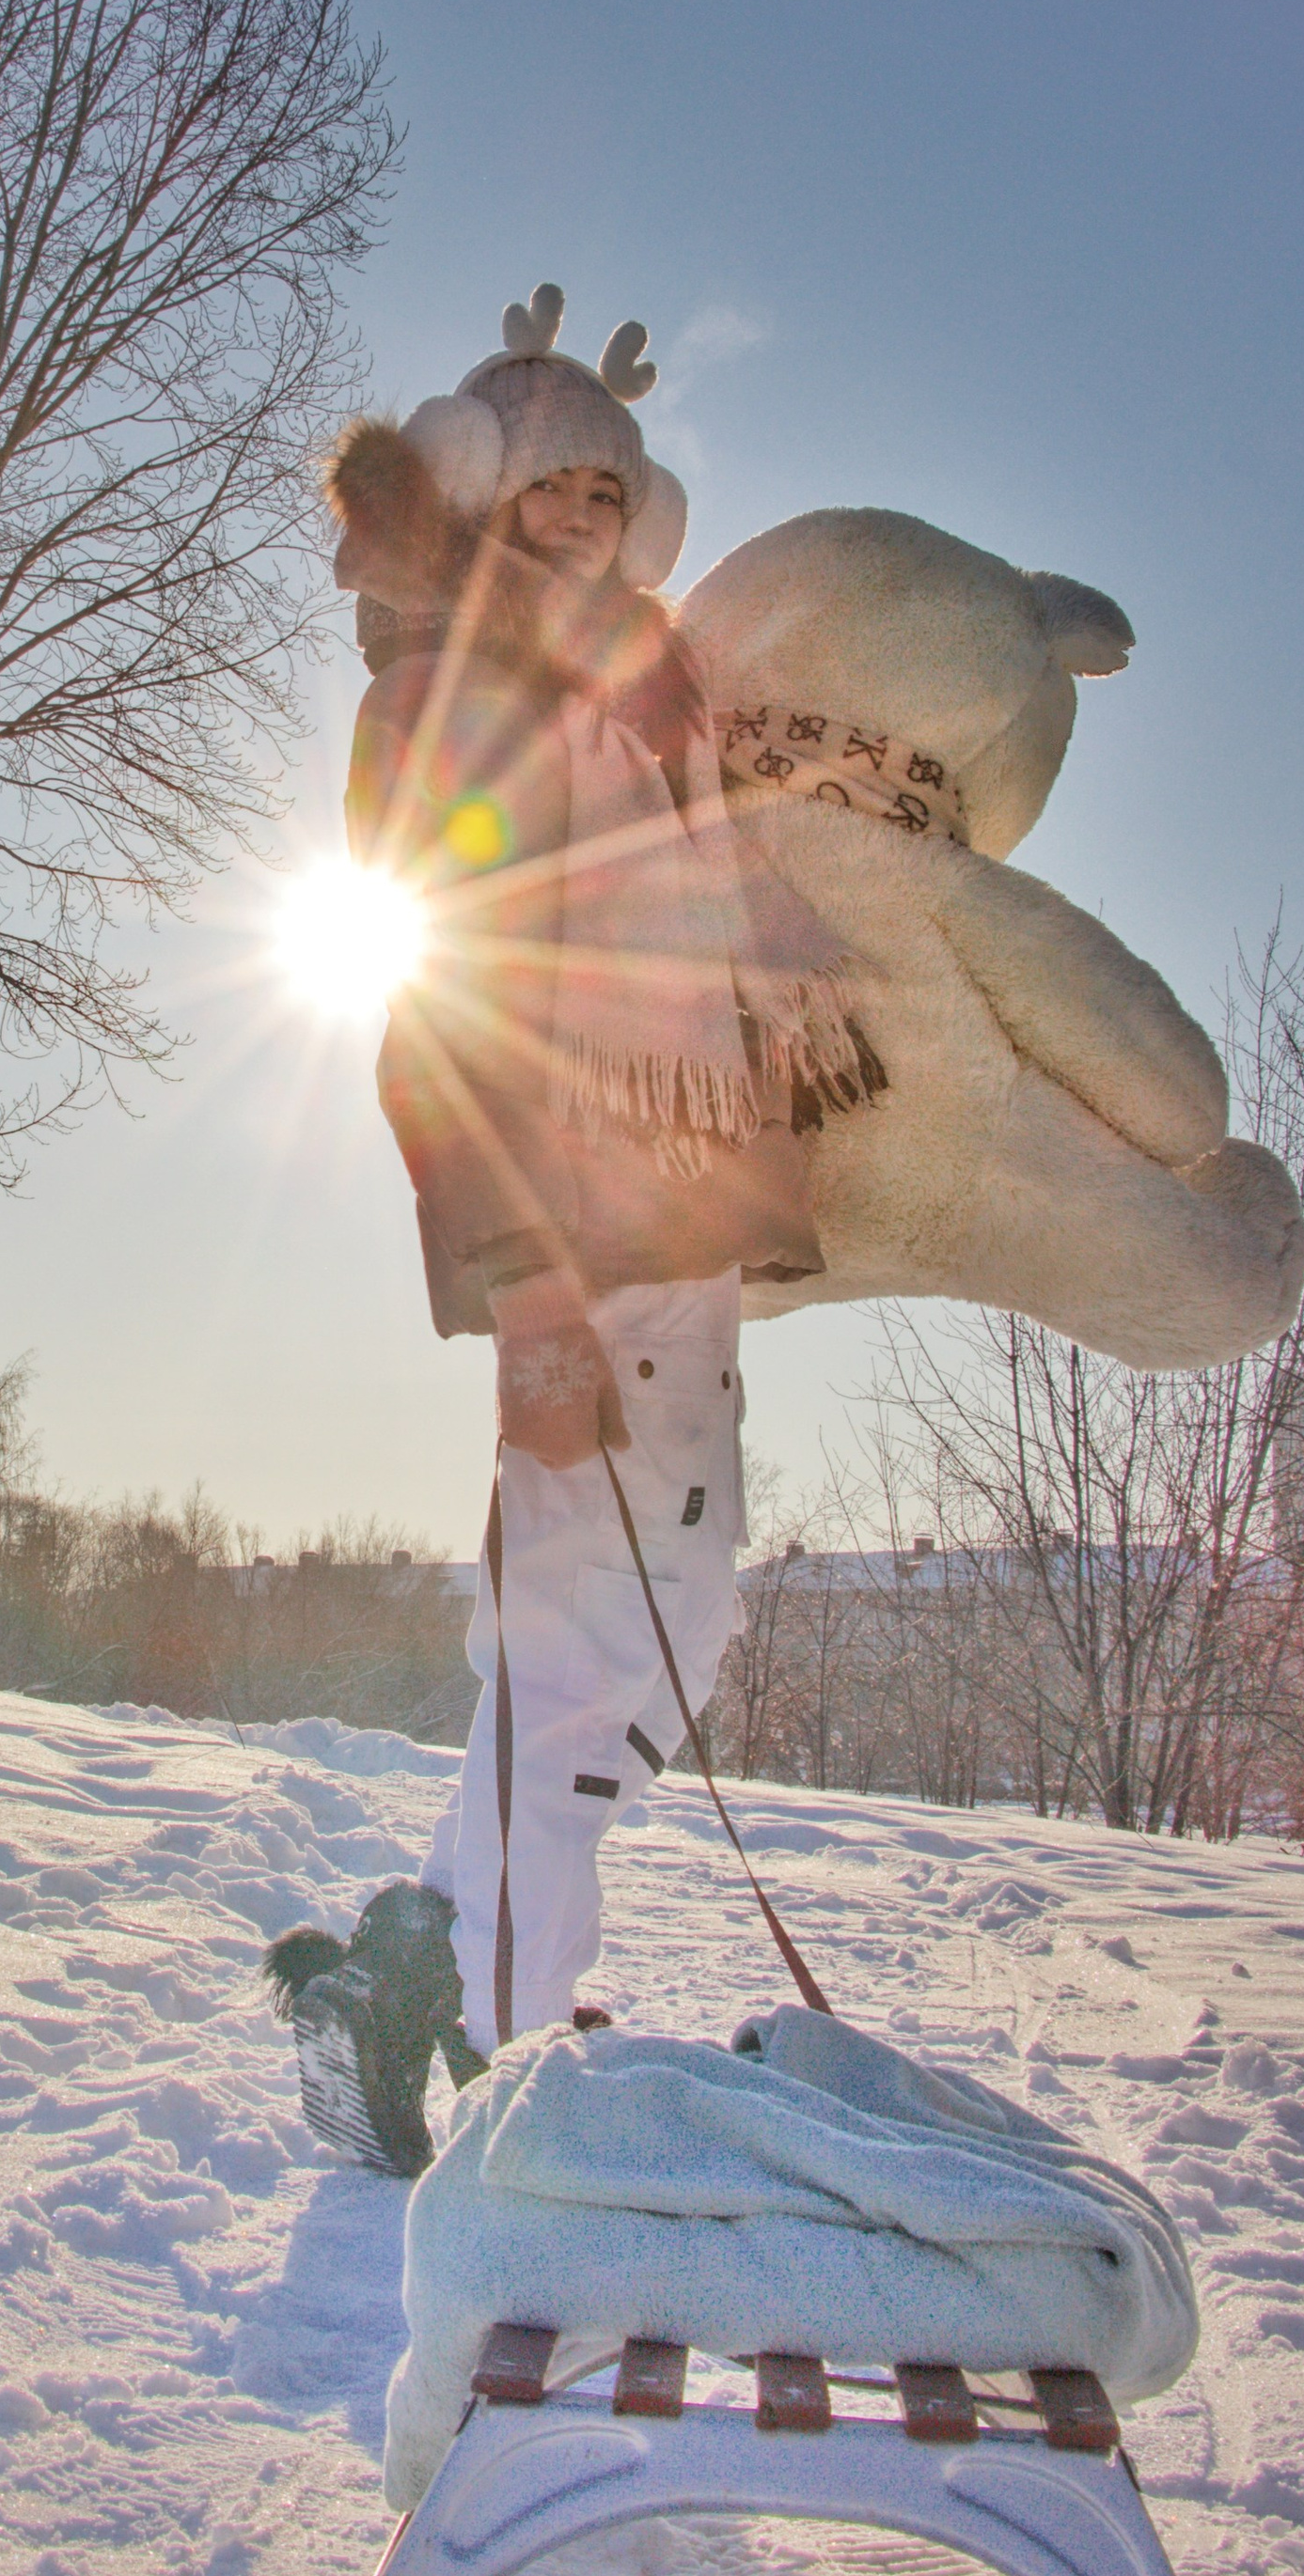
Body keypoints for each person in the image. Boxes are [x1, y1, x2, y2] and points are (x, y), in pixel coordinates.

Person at [263, 289, 872, 2174]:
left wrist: (807, 989)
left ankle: (415, 1964)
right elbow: (436, 998)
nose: (583, 514)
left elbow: (730, 882)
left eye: (609, 489)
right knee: (562, 1634)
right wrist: (520, 1293)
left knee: (675, 1616)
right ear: (488, 496)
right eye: (548, 485)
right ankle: (528, 2091)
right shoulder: (434, 697)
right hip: (562, 1219)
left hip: (684, 1196)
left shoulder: (652, 697)